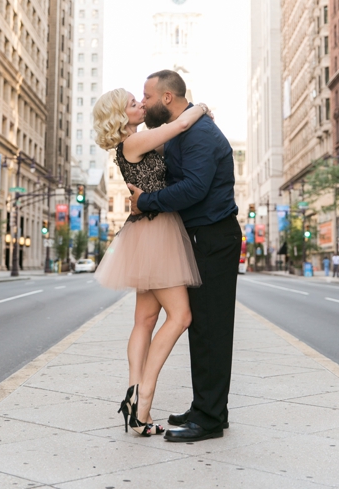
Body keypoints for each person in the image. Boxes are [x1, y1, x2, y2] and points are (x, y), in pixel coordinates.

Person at [127, 70, 241, 443]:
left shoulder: (198, 135)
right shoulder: (180, 130)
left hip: (214, 237)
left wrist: (147, 202)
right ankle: (207, 407)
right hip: (198, 237)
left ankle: (209, 419)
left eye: (147, 96)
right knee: (202, 327)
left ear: (167, 99)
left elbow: (193, 188)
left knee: (212, 328)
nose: (143, 102)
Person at [92, 88, 207, 436]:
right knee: (181, 316)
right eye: (132, 103)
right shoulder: (132, 144)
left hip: (146, 230)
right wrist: (201, 106)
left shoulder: (134, 143)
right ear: (120, 116)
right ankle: (143, 402)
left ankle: (133, 398)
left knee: (144, 319)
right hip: (156, 232)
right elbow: (182, 124)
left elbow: (171, 146)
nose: (140, 104)